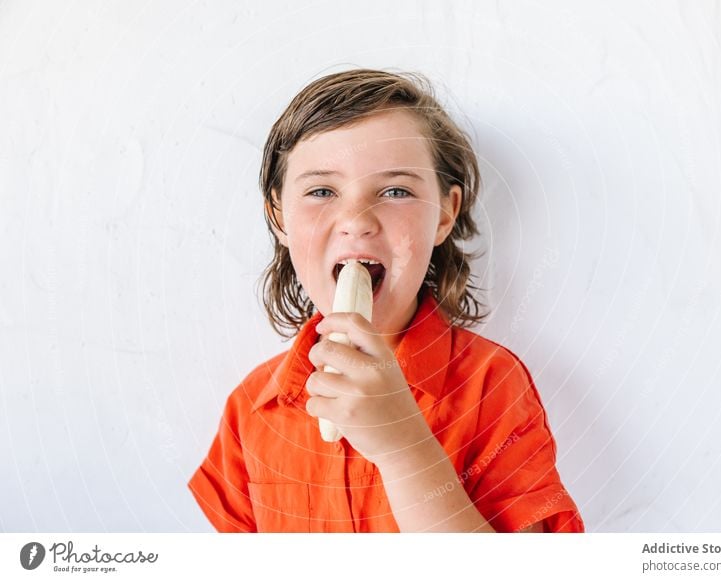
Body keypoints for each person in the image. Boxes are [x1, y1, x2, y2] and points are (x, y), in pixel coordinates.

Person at [188, 68, 584, 533]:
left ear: (445, 215)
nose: (356, 220)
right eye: (321, 191)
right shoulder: (253, 410)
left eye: (396, 191)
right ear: (279, 218)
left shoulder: (491, 386)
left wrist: (403, 447)